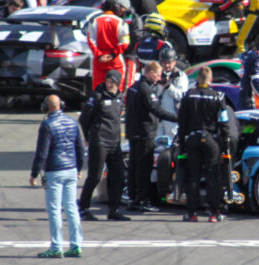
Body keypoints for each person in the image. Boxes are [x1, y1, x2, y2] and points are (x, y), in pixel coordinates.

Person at [29, 94, 84, 258]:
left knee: (54, 210)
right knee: (71, 208)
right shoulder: (73, 122)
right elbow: (80, 149)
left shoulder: (47, 125)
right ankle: (76, 245)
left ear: (47, 108)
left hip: (55, 170)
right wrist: (79, 168)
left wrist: (34, 173)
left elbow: (42, 152)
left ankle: (56, 246)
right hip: (71, 169)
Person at [175, 66, 230, 223]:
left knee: (193, 176)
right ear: (211, 80)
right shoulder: (218, 97)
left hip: (192, 140)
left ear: (198, 79)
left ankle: (192, 213)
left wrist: (182, 141)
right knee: (213, 176)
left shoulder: (188, 96)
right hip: (211, 141)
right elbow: (224, 122)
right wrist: (225, 142)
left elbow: (182, 122)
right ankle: (214, 213)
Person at [125, 61, 177, 212]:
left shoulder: (133, 87)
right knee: (144, 168)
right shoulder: (146, 90)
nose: (159, 78)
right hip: (144, 133)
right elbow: (157, 110)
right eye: (158, 75)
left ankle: (133, 199)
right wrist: (177, 118)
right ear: (151, 73)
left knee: (134, 167)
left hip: (133, 132)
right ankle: (142, 200)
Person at [78, 69, 129, 221]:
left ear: (118, 83)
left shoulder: (120, 97)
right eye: (108, 81)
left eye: (112, 82)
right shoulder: (97, 96)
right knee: (95, 176)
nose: (109, 84)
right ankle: (84, 208)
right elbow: (83, 118)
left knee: (118, 176)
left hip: (115, 142)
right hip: (99, 141)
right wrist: (88, 136)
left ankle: (114, 210)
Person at [87, 0, 129, 90]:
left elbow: (90, 41)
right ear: (115, 8)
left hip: (99, 62)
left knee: (98, 91)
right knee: (116, 91)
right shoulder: (121, 22)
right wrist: (112, 54)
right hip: (115, 62)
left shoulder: (94, 21)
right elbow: (125, 43)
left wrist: (99, 55)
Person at [156, 47, 188, 140]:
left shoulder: (180, 76)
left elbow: (182, 96)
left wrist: (168, 86)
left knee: (172, 144)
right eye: (164, 62)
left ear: (174, 62)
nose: (166, 65)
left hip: (172, 118)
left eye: (169, 62)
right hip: (159, 117)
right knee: (158, 145)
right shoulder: (157, 74)